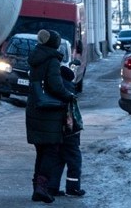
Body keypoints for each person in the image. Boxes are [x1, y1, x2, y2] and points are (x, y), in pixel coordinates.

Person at [26, 29, 76, 204]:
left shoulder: (36, 58)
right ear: (54, 43)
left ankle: (37, 188)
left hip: (35, 108)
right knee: (51, 151)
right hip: (49, 111)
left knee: (41, 151)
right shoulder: (52, 60)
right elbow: (55, 85)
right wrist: (68, 95)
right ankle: (42, 187)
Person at [47, 65, 86, 198]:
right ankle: (73, 188)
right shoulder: (68, 88)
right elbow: (71, 113)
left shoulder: (55, 86)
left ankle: (52, 187)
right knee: (74, 160)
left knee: (58, 159)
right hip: (69, 131)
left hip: (57, 130)